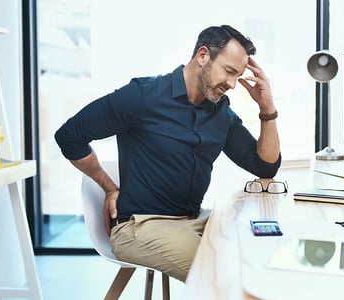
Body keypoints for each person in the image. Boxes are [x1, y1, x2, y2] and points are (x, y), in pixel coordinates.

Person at [54, 25, 281, 282]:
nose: (232, 84)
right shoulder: (143, 96)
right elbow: (70, 136)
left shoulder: (220, 113)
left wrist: (267, 108)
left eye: (237, 76)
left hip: (193, 220)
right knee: (223, 276)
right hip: (141, 225)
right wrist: (108, 187)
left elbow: (265, 167)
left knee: (260, 251)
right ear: (203, 55)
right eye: (229, 72)